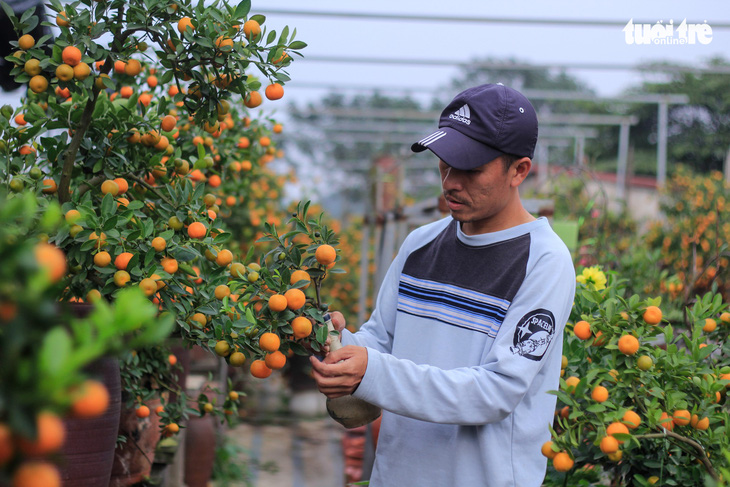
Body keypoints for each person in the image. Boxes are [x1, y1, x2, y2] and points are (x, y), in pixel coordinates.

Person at [310, 83, 576, 486]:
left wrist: (373, 371)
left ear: (519, 170)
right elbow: (381, 343)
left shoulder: (543, 261)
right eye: (444, 163)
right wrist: (336, 344)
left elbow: (497, 391)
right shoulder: (421, 244)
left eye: (470, 169)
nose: (450, 181)